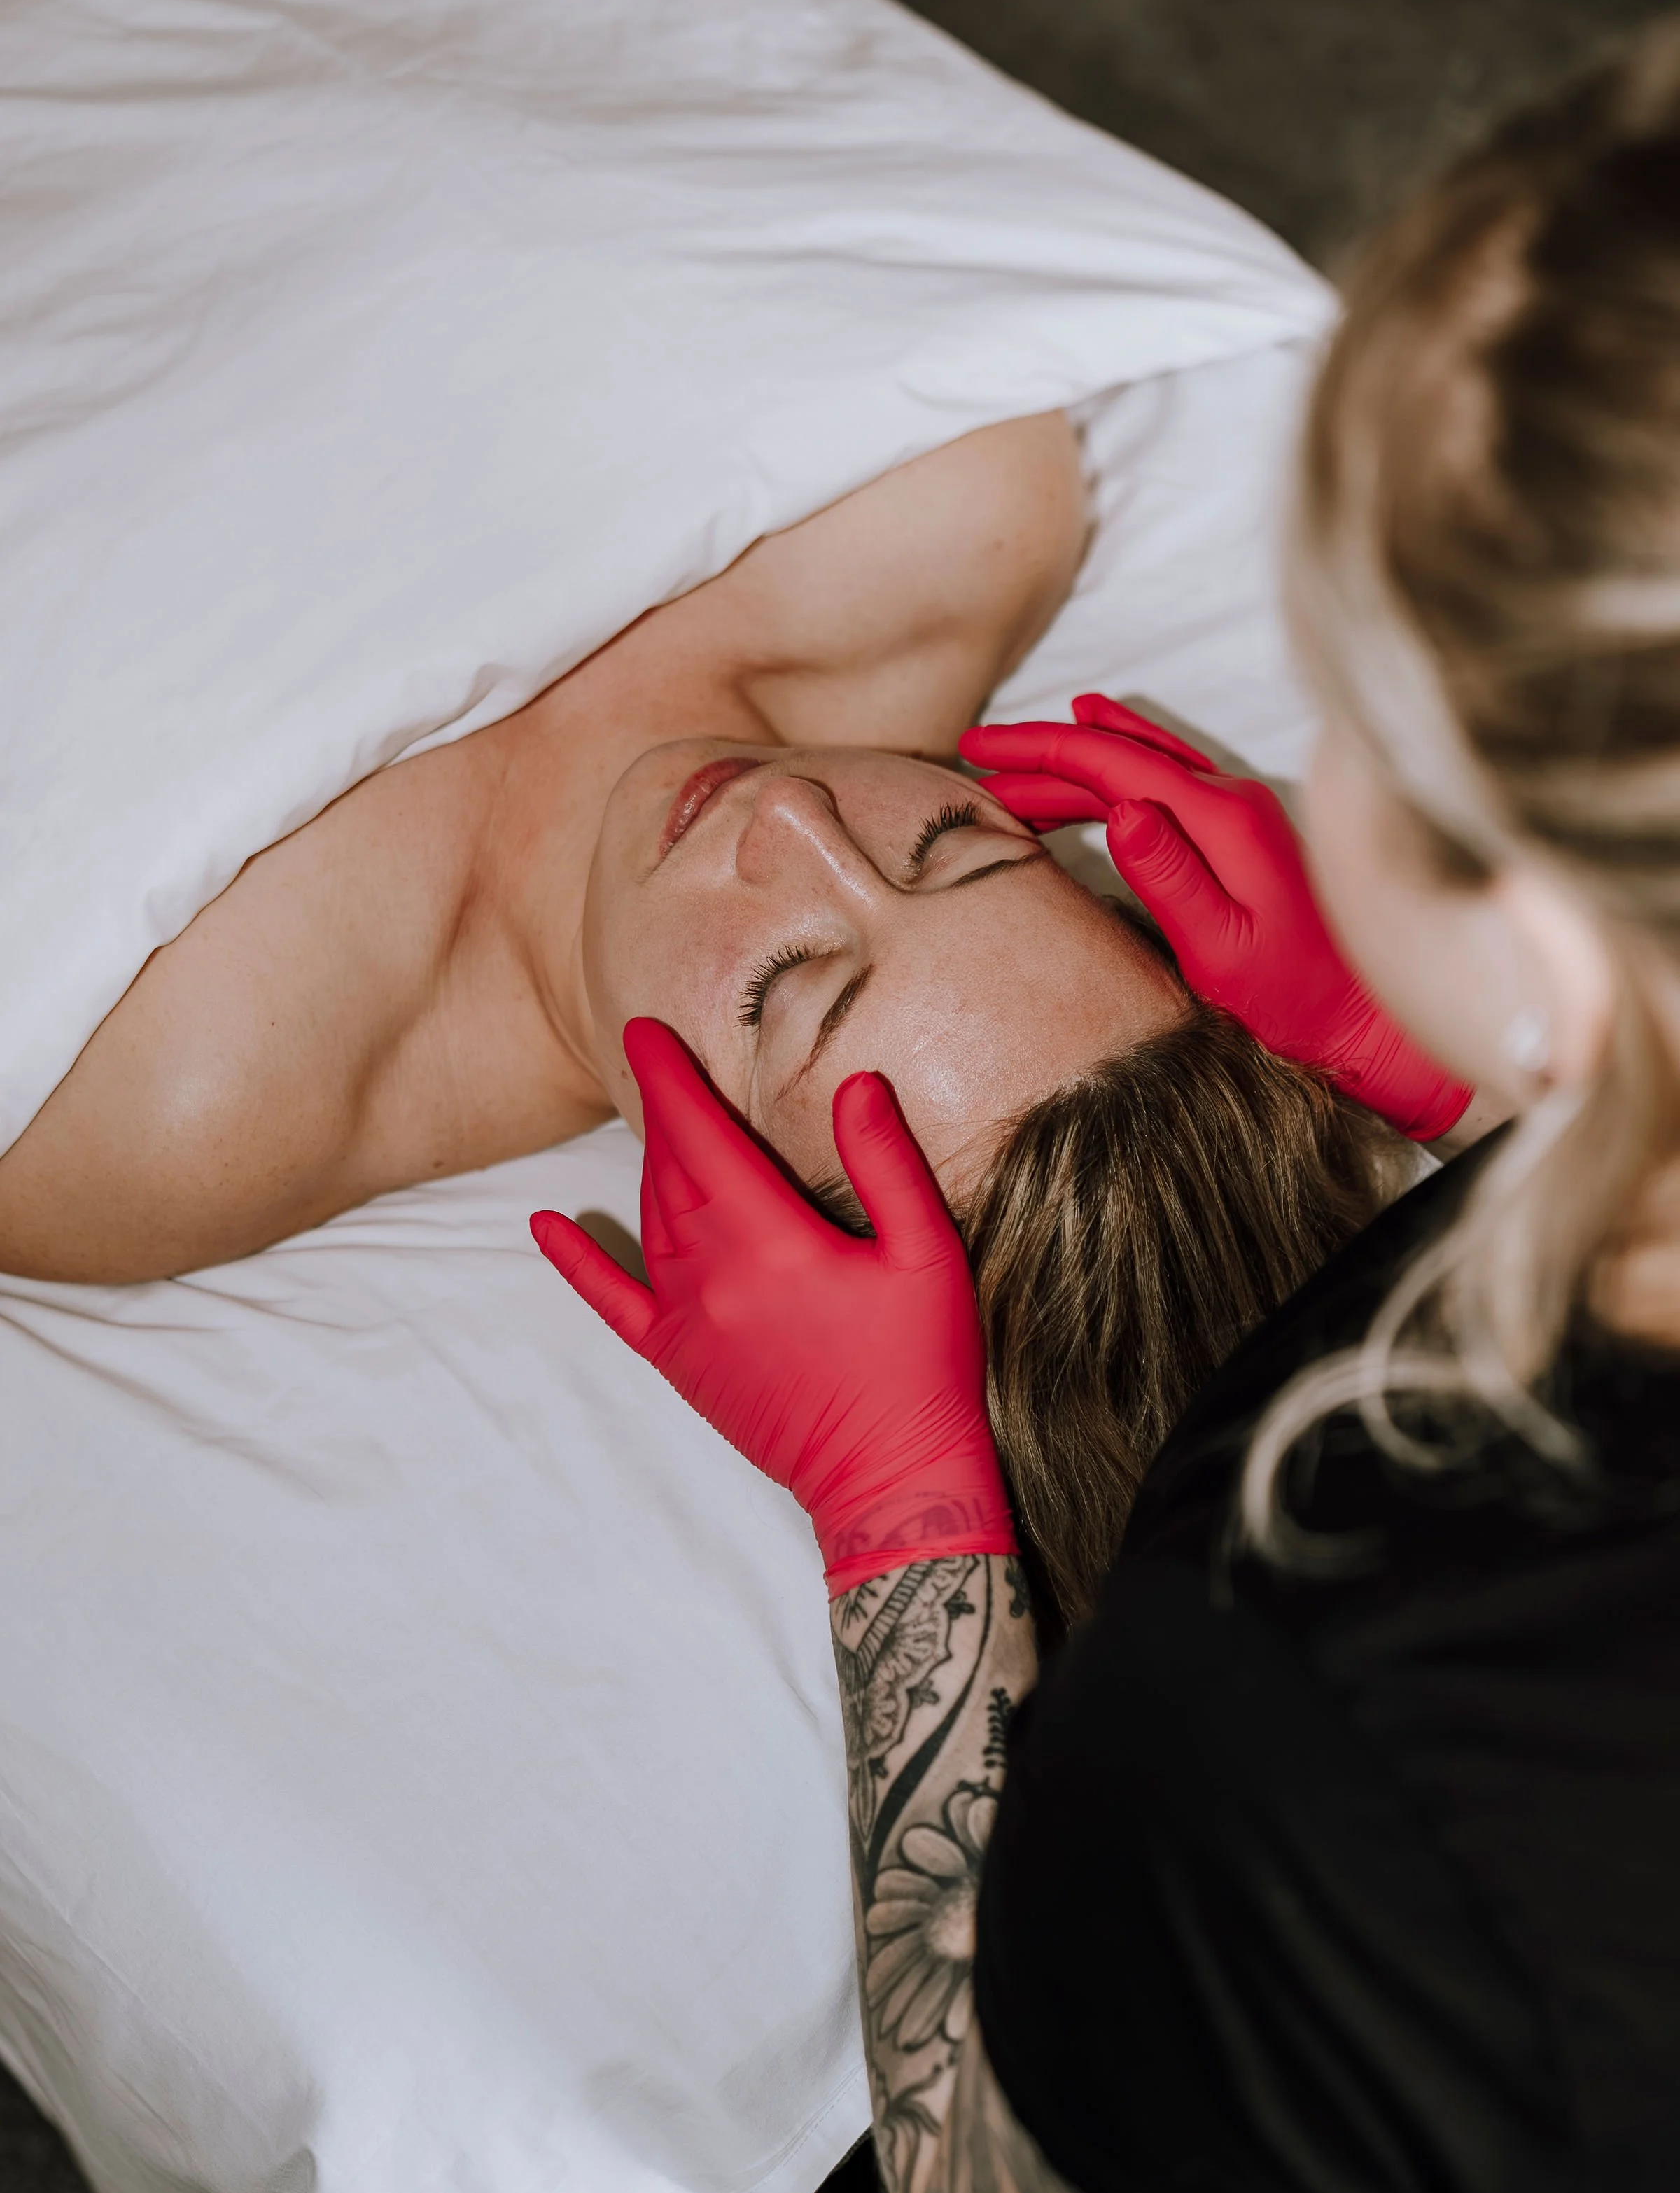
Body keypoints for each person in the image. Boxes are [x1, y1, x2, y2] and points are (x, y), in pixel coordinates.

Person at [538, 20, 1680, 2193]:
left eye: (1352, 720)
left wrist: (907, 1538)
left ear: (1550, 930)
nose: (796, 826)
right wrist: (1471, 1075)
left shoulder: (1304, 1726)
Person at [0, 405, 1420, 1619]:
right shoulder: (945, 511)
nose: (795, 814)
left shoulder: (163, 1090)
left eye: (787, 986)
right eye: (961, 849)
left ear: (720, 1212)